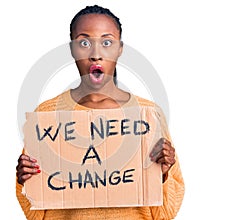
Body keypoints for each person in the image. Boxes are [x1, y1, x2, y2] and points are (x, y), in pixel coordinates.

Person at [16, 5, 184, 220]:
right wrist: (26, 181)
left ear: (119, 49)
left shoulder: (147, 115)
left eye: (107, 42)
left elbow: (165, 213)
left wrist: (163, 174)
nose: (96, 54)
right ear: (72, 49)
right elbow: (35, 215)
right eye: (84, 42)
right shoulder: (47, 117)